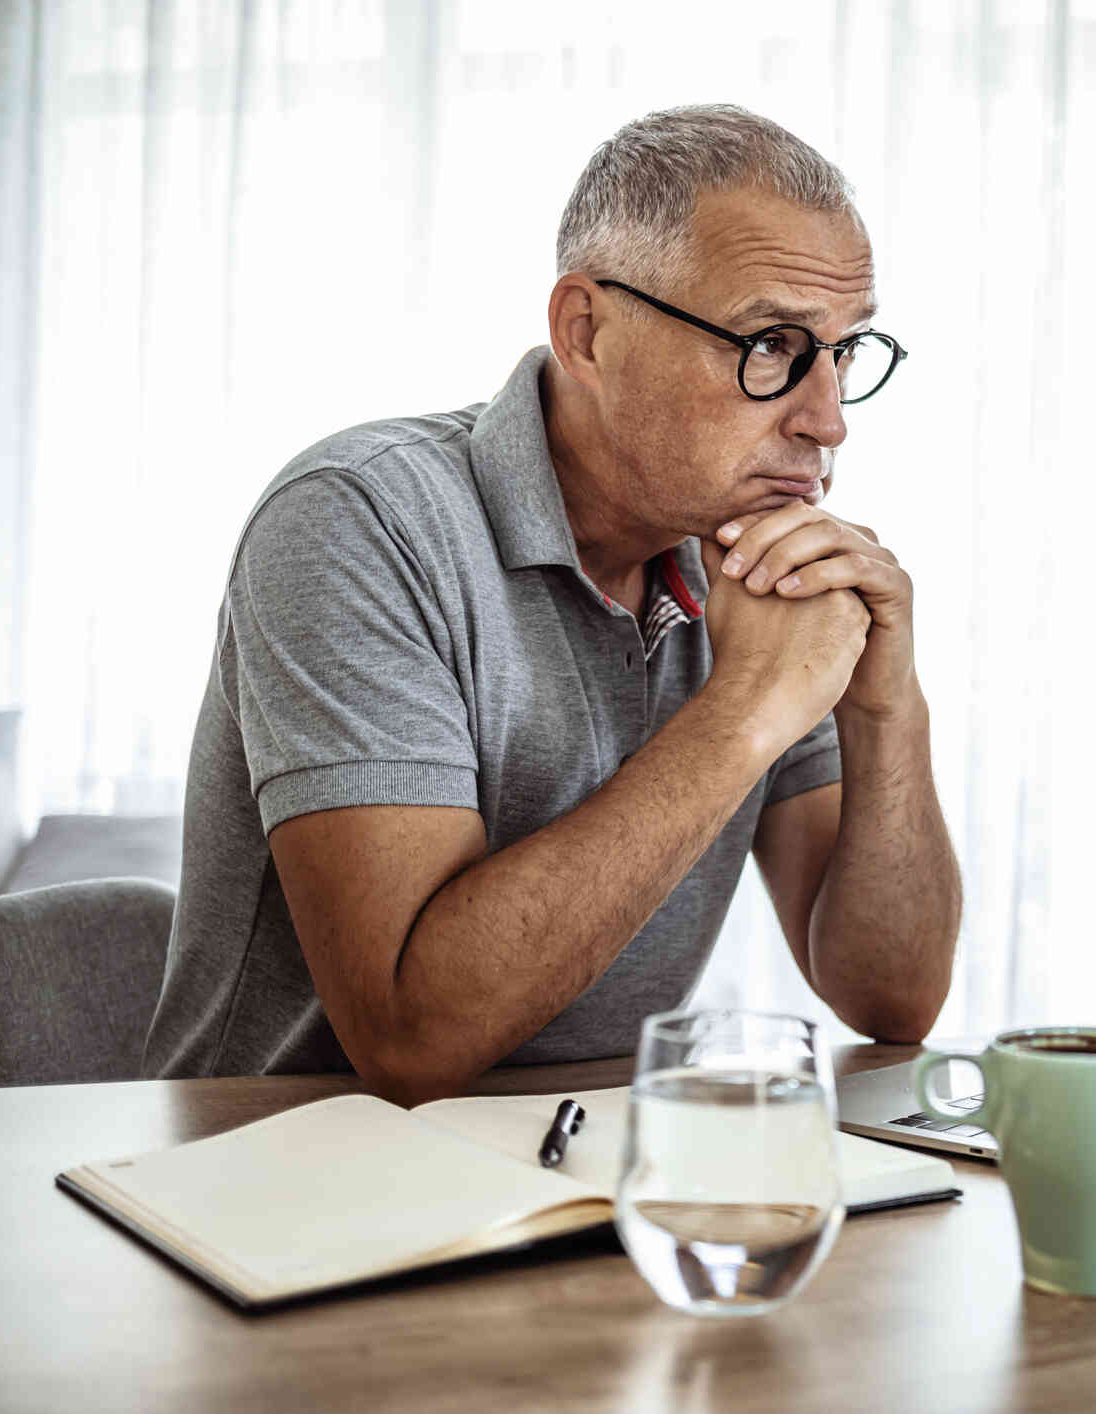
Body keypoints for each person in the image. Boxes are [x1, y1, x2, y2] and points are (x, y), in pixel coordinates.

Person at [143, 105, 962, 1104]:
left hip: (585, 1168)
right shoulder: (356, 521)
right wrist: (747, 711)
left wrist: (888, 707)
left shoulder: (755, 566)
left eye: (845, 351)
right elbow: (412, 1036)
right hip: (279, 1183)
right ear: (588, 331)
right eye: (771, 344)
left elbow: (891, 997)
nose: (827, 418)